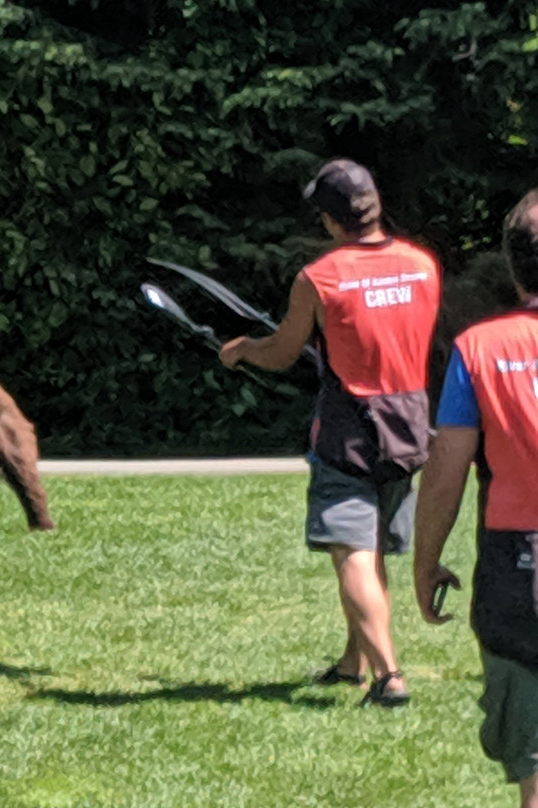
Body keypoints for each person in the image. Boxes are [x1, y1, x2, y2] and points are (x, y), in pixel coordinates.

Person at [219, 159, 441, 706]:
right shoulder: (422, 265)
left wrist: (244, 350)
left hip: (349, 428)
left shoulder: (319, 278)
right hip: (410, 422)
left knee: (353, 553)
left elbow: (283, 352)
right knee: (369, 550)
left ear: (329, 220)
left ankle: (389, 676)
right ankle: (352, 664)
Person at [414, 189, 538, 806]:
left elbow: (446, 469)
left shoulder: (479, 350)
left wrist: (424, 561)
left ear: (514, 268)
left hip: (516, 568)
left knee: (532, 758)